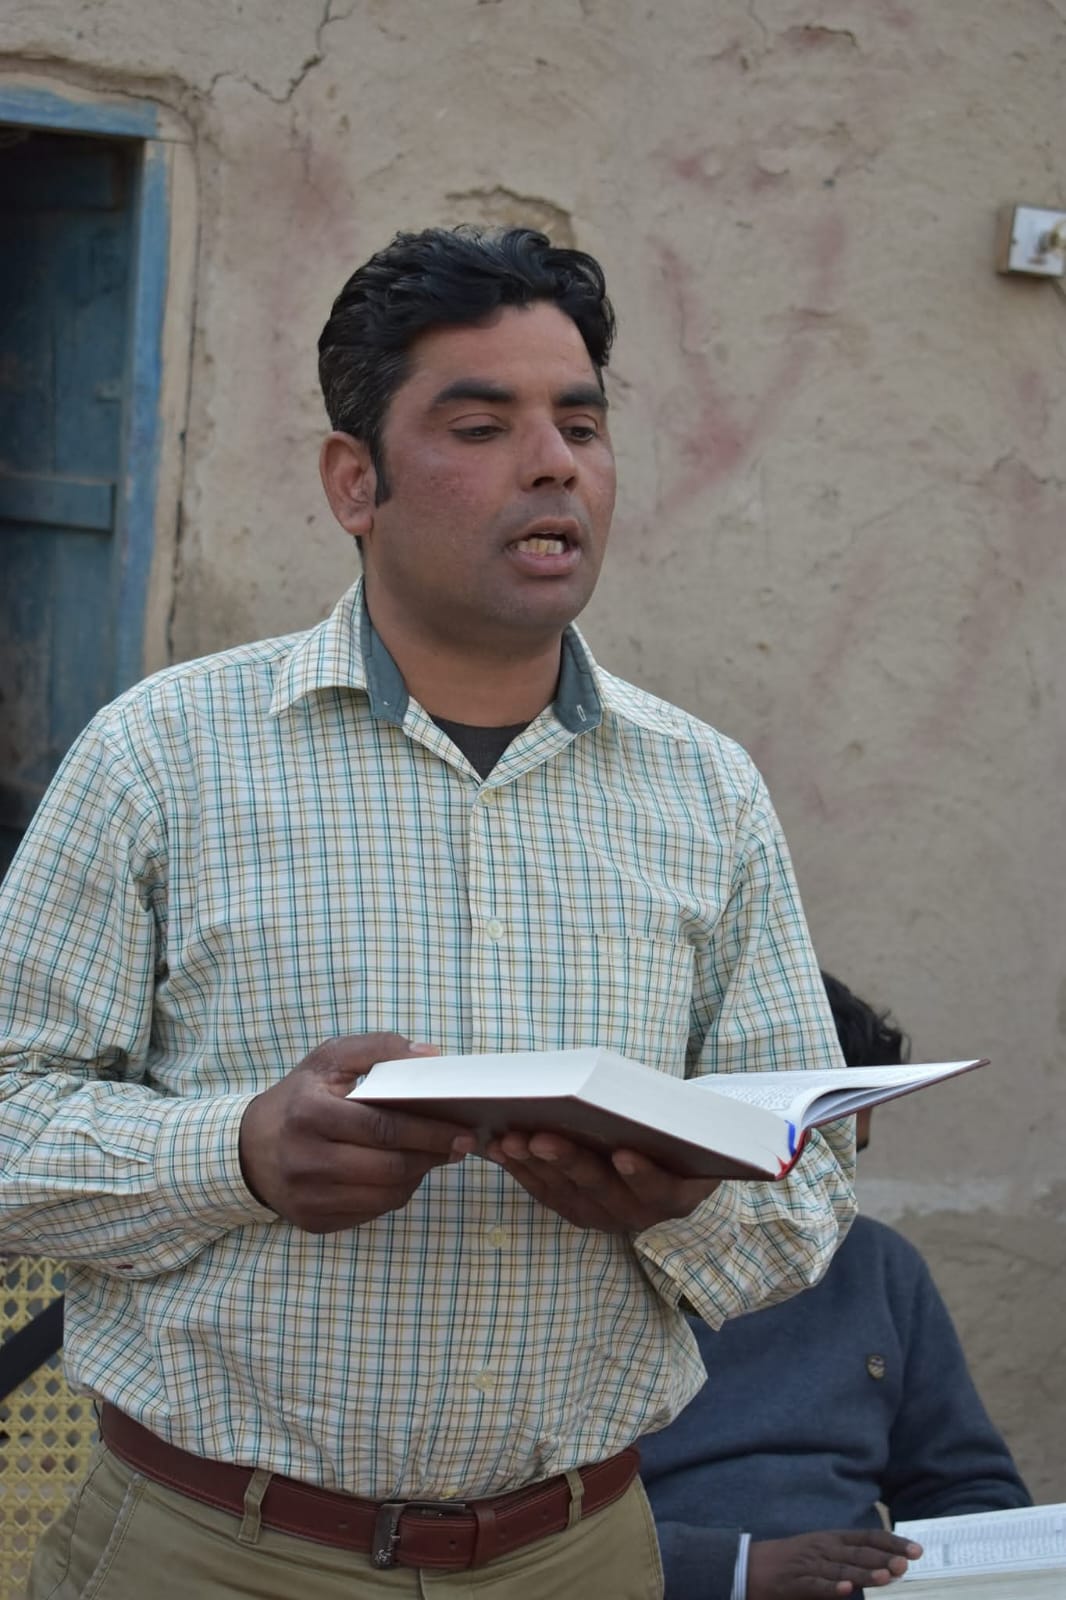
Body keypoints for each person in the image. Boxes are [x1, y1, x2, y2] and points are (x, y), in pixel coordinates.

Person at [0, 226, 856, 1600]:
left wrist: (674, 1203)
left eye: (581, 423)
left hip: (576, 1554)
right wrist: (242, 1150)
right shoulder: (162, 755)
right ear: (357, 481)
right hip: (214, 1551)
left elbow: (807, 1192)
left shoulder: (707, 792)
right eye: (481, 425)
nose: (553, 463)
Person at [640, 972, 1031, 1600]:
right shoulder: (588, 1272)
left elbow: (964, 1485)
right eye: (805, 1158)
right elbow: (539, 1538)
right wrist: (735, 1571)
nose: (831, 1193)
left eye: (852, 1158)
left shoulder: (879, 1264)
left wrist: (959, 1567)